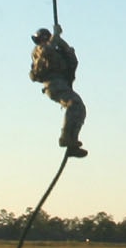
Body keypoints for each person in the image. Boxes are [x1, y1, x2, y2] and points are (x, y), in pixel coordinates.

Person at [29, 26, 86, 157]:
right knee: (74, 103)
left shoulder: (57, 52)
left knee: (79, 108)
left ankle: (72, 140)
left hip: (62, 84)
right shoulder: (39, 51)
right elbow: (45, 51)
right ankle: (66, 138)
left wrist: (61, 42)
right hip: (53, 84)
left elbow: (73, 61)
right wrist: (55, 36)